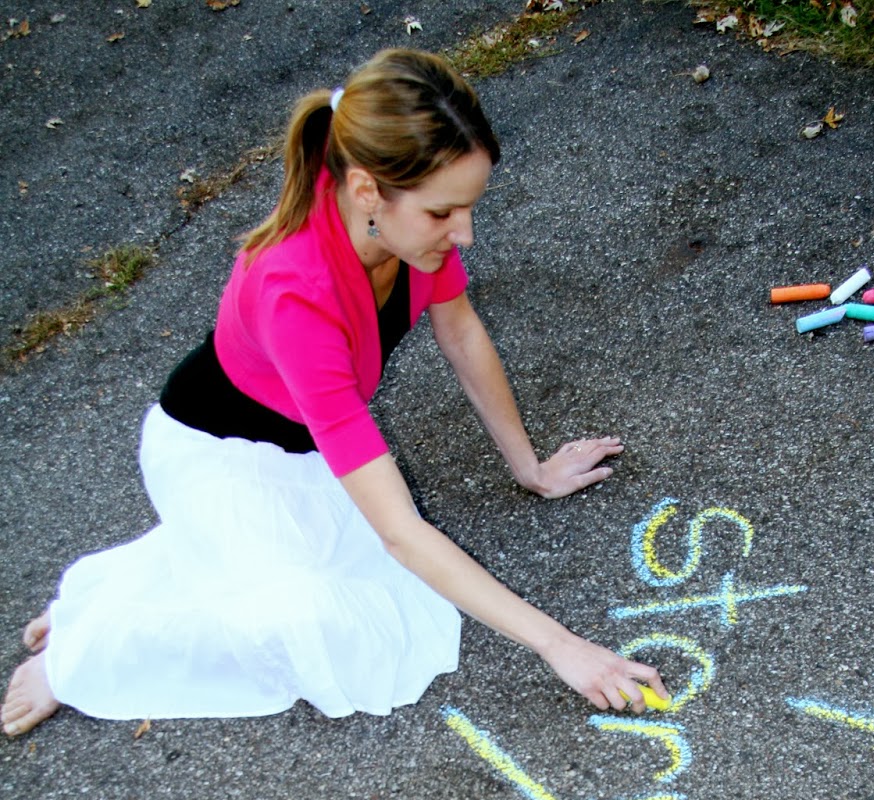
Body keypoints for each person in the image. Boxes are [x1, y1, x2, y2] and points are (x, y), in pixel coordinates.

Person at [1, 49, 665, 739]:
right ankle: (83, 652)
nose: (463, 233)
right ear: (368, 191)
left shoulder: (409, 234)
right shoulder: (296, 294)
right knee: (310, 622)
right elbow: (402, 535)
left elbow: (461, 333)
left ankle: (142, 581)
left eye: (468, 208)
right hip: (219, 455)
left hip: (307, 452)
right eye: (444, 212)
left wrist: (529, 468)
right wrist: (561, 645)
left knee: (362, 586)